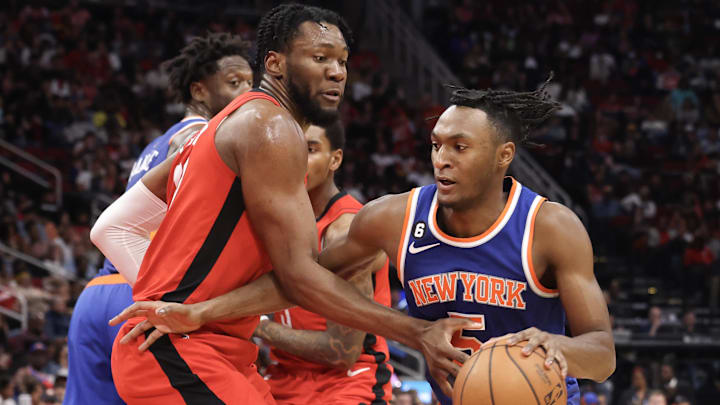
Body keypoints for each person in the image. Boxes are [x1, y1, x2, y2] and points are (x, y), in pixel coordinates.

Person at [109, 77, 615, 404]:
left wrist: (557, 347)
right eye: (437, 145)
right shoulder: (394, 218)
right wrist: (202, 312)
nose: (442, 158)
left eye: (461, 147)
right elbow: (298, 281)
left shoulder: (550, 227)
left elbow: (602, 351)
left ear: (504, 155)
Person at [96, 4, 468, 403]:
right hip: (184, 350)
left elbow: (109, 226)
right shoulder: (269, 127)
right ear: (274, 63)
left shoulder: (219, 130)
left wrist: (186, 304)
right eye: (319, 58)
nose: (337, 72)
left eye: (342, 61)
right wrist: (417, 332)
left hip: (207, 344)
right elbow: (299, 279)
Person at [65, 32, 253, 405]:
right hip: (144, 292)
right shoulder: (201, 135)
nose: (247, 92)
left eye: (251, 82)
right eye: (235, 83)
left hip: (97, 295)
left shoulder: (152, 147)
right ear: (199, 92)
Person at [255, 123, 393, 404]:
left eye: (311, 149)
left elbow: (341, 352)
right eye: (290, 149)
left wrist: (256, 325)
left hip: (349, 381)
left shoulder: (344, 229)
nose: (297, 159)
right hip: (282, 375)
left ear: (335, 159)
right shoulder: (271, 218)